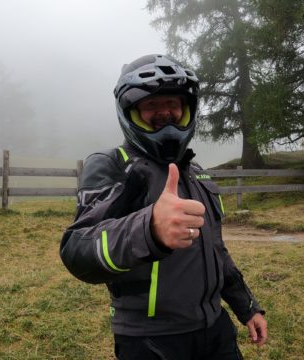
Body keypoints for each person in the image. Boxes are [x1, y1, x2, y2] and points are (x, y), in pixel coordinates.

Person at [59, 54, 267, 360]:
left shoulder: (197, 174)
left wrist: (246, 307)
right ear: (131, 113)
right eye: (151, 105)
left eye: (172, 103)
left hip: (215, 331)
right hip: (151, 341)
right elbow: (77, 250)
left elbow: (215, 249)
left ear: (186, 110)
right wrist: (149, 229)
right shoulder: (114, 165)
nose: (164, 113)